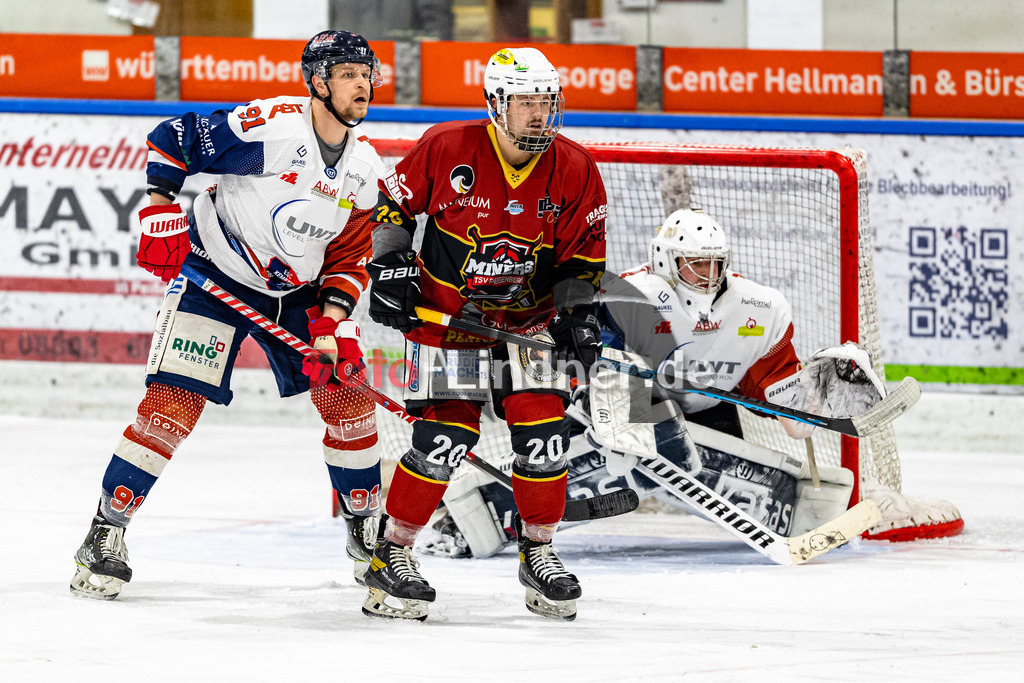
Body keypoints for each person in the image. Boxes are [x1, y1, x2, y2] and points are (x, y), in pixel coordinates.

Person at [70, 31, 389, 600]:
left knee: (349, 398)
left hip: (297, 295)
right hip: (212, 276)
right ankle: (104, 532)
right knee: (172, 406)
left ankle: (366, 532)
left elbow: (348, 252)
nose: (362, 83)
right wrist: (158, 210)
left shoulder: (366, 168)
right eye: (347, 73)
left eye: (366, 72)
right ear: (317, 82)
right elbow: (173, 138)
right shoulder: (275, 127)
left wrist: (331, 321)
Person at [424, 208, 887, 559]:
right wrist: (602, 383)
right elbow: (588, 367)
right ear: (666, 260)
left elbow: (780, 402)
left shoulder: (759, 309)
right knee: (564, 455)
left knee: (729, 474)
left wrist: (817, 393)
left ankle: (785, 504)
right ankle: (465, 521)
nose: (707, 276)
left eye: (714, 265)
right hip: (620, 413)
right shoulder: (630, 295)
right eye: (694, 265)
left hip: (707, 417)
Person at [360, 47, 608, 621]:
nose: (538, 115)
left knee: (544, 436)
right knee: (444, 439)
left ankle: (539, 552)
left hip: (529, 325)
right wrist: (393, 270)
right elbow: (392, 209)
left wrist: (578, 315)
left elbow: (580, 259)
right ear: (496, 102)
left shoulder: (575, 166)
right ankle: (391, 552)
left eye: (546, 103)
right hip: (447, 324)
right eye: (526, 103)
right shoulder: (447, 147)